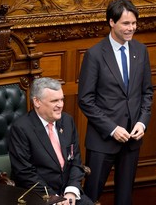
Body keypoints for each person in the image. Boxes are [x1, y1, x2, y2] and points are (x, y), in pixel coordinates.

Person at [78, 0, 153, 205]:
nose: (132, 28)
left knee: (125, 197)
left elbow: (147, 93)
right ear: (112, 22)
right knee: (91, 195)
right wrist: (112, 129)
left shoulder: (141, 50)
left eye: (134, 23)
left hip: (132, 139)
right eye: (126, 24)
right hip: (103, 140)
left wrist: (142, 122)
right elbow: (85, 100)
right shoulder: (94, 54)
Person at [9, 77, 93, 205]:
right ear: (37, 101)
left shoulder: (67, 121)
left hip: (68, 192)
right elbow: (24, 173)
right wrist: (53, 197)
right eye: (54, 101)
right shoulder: (21, 128)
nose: (60, 105)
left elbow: (75, 160)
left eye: (61, 99)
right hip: (39, 195)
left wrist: (71, 190)